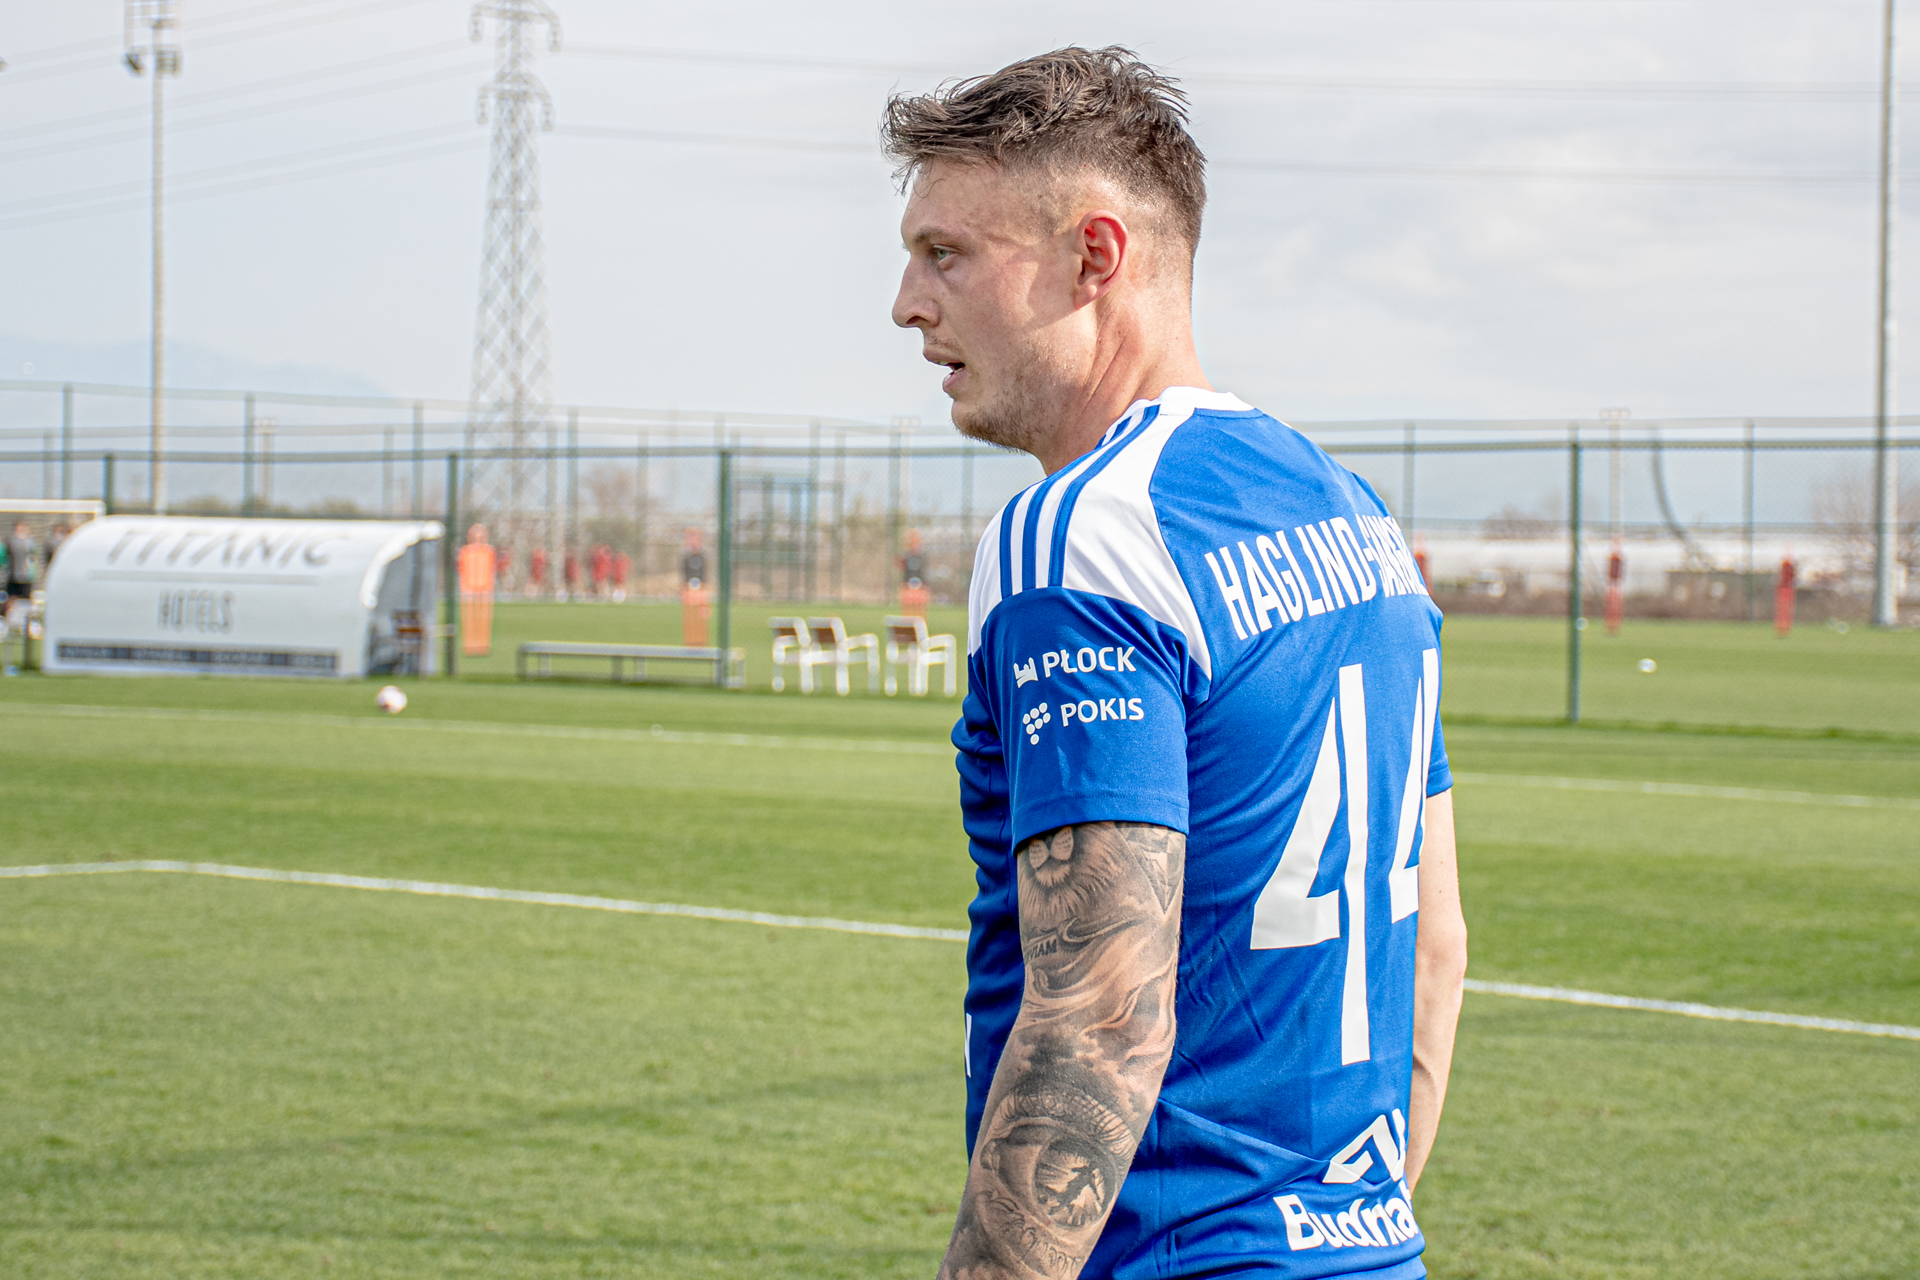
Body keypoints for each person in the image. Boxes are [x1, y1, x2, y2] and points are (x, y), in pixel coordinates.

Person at [885, 48, 1467, 1280]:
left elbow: (1097, 1024)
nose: (907, 303)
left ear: (1094, 257)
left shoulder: (1083, 534)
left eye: (947, 253)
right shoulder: (1353, 513)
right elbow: (1437, 948)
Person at [6, 521, 39, 601]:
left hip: (26, 577)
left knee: (26, 601)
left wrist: (32, 573)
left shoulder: (30, 542)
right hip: (13, 577)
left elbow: (33, 558)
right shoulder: (11, 541)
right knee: (12, 600)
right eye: (18, 529)